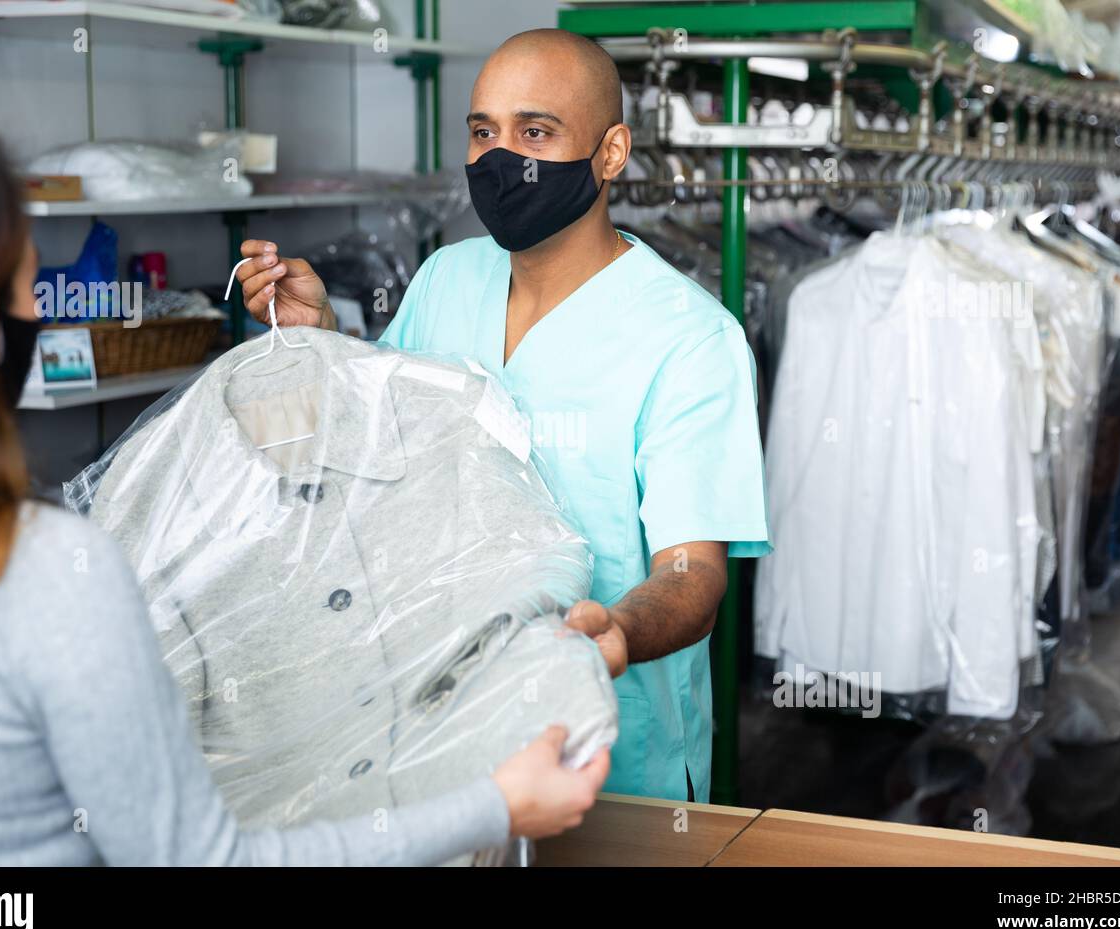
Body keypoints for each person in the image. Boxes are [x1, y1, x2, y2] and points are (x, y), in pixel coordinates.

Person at [0, 121, 608, 866]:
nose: (43, 313)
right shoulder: (49, 568)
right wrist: (495, 807)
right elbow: (197, 861)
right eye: (31, 290)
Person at [231, 28, 772, 803]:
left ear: (611, 153)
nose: (500, 158)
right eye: (483, 132)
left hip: (612, 756)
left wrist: (616, 632)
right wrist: (320, 339)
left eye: (536, 132)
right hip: (441, 731)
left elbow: (693, 573)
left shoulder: (690, 339)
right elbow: (373, 448)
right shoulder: (445, 280)